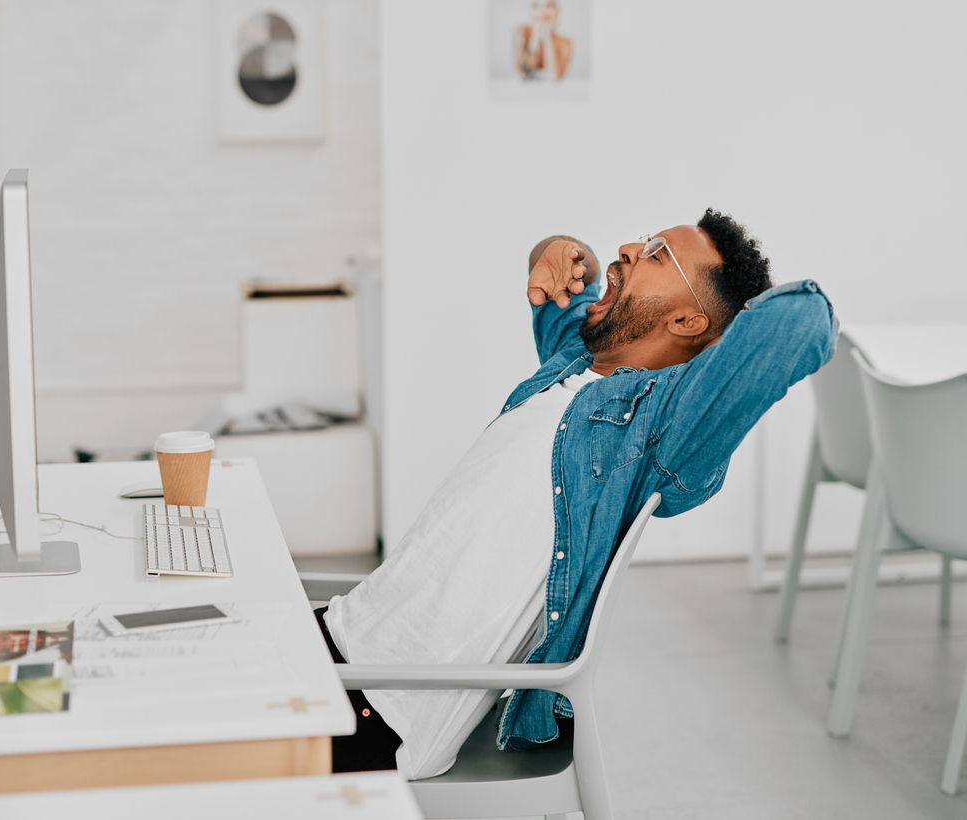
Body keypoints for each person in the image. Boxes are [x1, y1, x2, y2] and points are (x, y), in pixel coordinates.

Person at [317, 208, 838, 779]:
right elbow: (566, 281)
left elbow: (802, 323)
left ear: (688, 321)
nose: (627, 250)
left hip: (377, 705)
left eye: (656, 254)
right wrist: (563, 247)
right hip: (335, 634)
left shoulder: (655, 430)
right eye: (642, 241)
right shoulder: (575, 365)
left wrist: (718, 345)